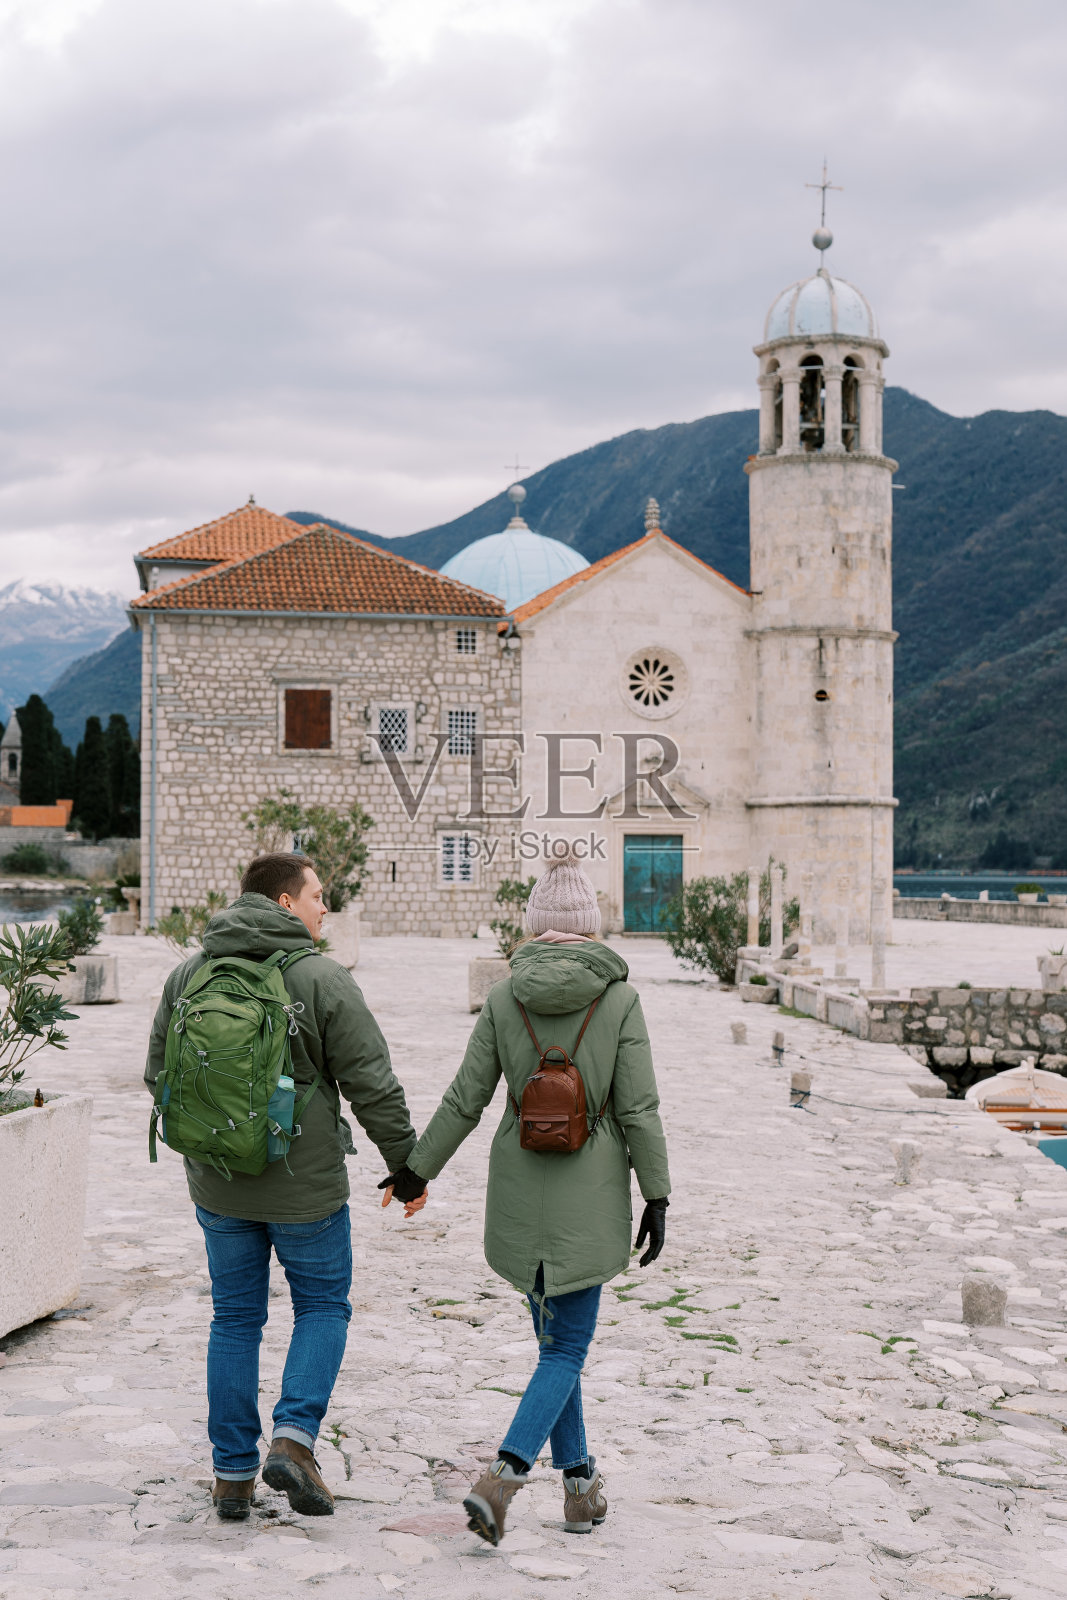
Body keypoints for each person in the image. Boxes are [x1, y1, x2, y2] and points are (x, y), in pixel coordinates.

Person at [380, 844, 670, 1545]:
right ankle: (502, 1478)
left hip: (517, 1191)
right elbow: (637, 1110)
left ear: (535, 925)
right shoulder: (620, 1000)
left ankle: (580, 1486)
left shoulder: (505, 997)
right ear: (590, 926)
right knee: (566, 1348)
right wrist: (656, 1195)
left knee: (553, 1346)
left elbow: (466, 1097)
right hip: (589, 1193)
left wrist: (418, 1169)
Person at [144, 853, 428, 1522]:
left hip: (219, 1185)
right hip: (305, 1187)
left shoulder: (189, 973)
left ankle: (231, 1476)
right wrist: (406, 1164)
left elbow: (158, 1074)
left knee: (234, 1318)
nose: (325, 907)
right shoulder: (322, 977)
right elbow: (371, 1082)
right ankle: (295, 1440)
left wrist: (217, 1139)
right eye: (317, 895)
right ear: (283, 902)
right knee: (323, 1306)